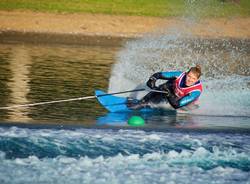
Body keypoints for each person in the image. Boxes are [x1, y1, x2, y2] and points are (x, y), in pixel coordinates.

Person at [127, 65, 203, 110]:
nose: (190, 80)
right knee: (164, 86)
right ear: (186, 74)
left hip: (184, 105)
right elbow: (157, 75)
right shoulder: (179, 75)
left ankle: (147, 103)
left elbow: (176, 105)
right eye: (189, 76)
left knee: (168, 91)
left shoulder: (196, 91)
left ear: (197, 80)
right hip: (174, 94)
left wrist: (168, 94)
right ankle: (141, 102)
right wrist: (151, 81)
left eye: (193, 79)